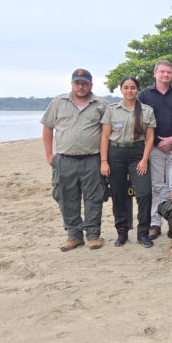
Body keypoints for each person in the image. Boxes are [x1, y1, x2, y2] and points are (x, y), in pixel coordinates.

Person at [41, 69, 108, 251]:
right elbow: (48, 128)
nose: (81, 86)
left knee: (94, 198)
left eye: (85, 83)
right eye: (77, 83)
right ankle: (73, 235)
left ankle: (93, 235)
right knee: (66, 197)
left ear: (91, 85)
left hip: (92, 159)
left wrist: (104, 160)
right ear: (72, 84)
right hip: (65, 159)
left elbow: (107, 133)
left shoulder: (101, 104)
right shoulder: (58, 102)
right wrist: (49, 155)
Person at [99, 76, 156, 248]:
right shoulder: (112, 109)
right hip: (115, 153)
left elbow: (150, 136)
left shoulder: (146, 110)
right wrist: (104, 161)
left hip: (138, 152)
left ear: (137, 89)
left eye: (132, 88)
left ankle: (143, 232)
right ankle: (122, 231)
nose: (129, 90)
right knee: (118, 193)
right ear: (121, 89)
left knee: (144, 193)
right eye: (126, 87)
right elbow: (105, 136)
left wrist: (144, 159)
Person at [138, 60, 172, 240]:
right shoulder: (144, 95)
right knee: (157, 186)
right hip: (154, 147)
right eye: (162, 72)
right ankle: (155, 222)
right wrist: (156, 141)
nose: (165, 75)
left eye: (168, 72)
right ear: (155, 73)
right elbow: (140, 120)